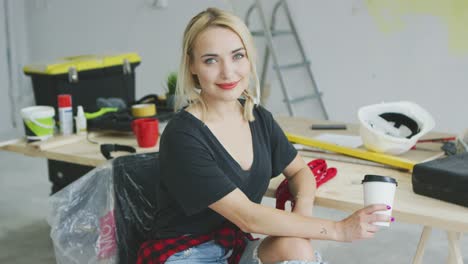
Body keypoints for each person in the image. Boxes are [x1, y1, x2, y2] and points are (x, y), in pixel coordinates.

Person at [137, 7, 393, 264]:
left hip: (234, 248)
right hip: (185, 254)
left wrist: (302, 215)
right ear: (191, 65)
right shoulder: (183, 135)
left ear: (250, 58)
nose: (228, 72)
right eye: (211, 60)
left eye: (237, 56)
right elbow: (247, 217)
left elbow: (300, 172)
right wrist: (338, 229)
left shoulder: (258, 119)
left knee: (296, 247)